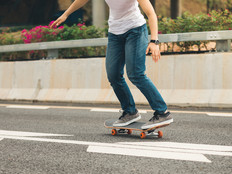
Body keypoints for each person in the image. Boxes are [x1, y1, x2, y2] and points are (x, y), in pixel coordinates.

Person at [51, 0, 173, 129]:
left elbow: (150, 13)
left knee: (136, 74)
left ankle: (162, 112)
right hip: (115, 33)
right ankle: (130, 111)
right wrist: (66, 13)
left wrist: (154, 41)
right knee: (113, 75)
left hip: (135, 30)